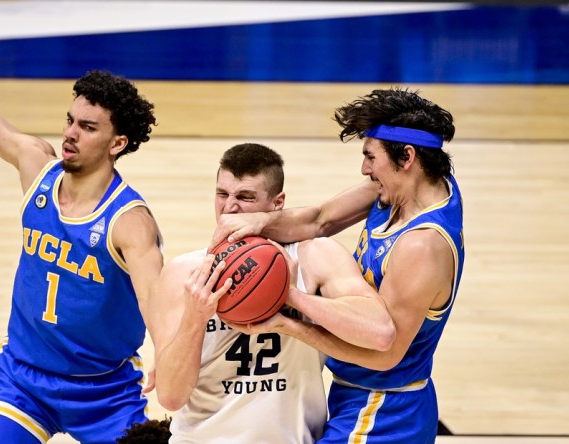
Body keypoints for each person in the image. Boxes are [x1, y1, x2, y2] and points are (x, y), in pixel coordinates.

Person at [0, 1, 164, 443]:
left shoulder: (129, 221)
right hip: (23, 382)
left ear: (117, 142)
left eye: (88, 127)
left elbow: (156, 303)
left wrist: (168, 357)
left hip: (104, 391)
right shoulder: (37, 168)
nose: (71, 133)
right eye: (70, 120)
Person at [212, 88, 464, 443]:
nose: (364, 169)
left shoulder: (421, 245)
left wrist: (290, 319)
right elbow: (320, 219)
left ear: (407, 157)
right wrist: (260, 222)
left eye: (370, 157)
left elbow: (385, 354)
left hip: (384, 410)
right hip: (360, 396)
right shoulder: (407, 187)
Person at [151, 143, 395, 443]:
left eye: (245, 197)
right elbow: (171, 397)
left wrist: (292, 296)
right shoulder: (183, 273)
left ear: (277, 203)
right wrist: (195, 317)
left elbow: (380, 331)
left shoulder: (316, 257)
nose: (229, 208)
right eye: (222, 194)